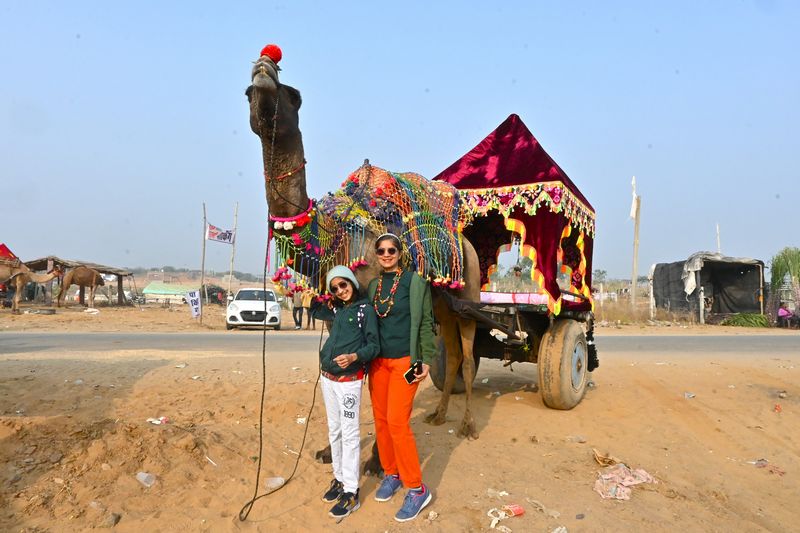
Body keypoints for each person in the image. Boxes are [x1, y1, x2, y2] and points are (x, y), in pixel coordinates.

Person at [366, 233, 436, 522]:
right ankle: (391, 472)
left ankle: (417, 488)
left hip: (406, 363)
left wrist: (427, 359)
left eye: (391, 249)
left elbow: (427, 323)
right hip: (378, 364)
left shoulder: (415, 283)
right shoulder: (373, 286)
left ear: (399, 252)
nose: (386, 254)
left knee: (397, 422)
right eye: (381, 250)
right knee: (381, 422)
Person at [313, 265, 380, 521]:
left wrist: (355, 356)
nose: (341, 291)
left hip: (349, 381)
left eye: (344, 285)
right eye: (335, 288)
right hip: (328, 378)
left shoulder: (366, 311)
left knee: (350, 434)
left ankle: (351, 491)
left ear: (352, 282)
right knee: (335, 430)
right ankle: (340, 480)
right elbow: (313, 307)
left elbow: (374, 345)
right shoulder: (337, 309)